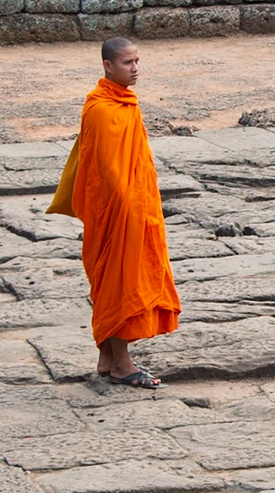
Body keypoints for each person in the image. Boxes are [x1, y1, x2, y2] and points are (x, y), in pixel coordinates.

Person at [47, 38, 181, 388]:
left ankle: (107, 359)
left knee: (115, 282)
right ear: (108, 66)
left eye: (137, 61)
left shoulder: (124, 102)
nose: (135, 69)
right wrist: (129, 213)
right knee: (123, 283)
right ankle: (123, 364)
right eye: (127, 63)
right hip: (118, 212)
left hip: (134, 205)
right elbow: (107, 171)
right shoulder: (102, 108)